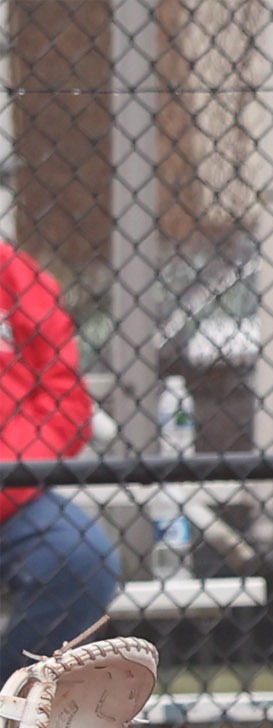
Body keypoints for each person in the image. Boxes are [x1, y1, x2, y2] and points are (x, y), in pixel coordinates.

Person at [0, 241, 118, 678]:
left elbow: (66, 398)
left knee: (82, 557)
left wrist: (14, 466)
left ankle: (11, 709)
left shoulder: (13, 274)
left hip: (14, 497)